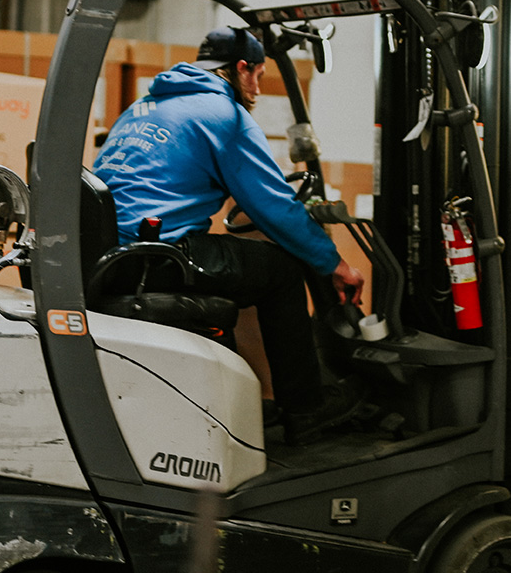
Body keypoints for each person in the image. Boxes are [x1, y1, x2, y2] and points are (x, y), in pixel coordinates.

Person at [94, 25, 365, 445]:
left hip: (112, 258)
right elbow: (273, 205)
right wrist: (335, 263)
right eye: (257, 75)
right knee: (282, 270)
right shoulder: (223, 115)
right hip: (159, 257)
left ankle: (255, 396)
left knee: (247, 262)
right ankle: (306, 408)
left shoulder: (143, 108)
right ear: (242, 69)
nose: (256, 88)